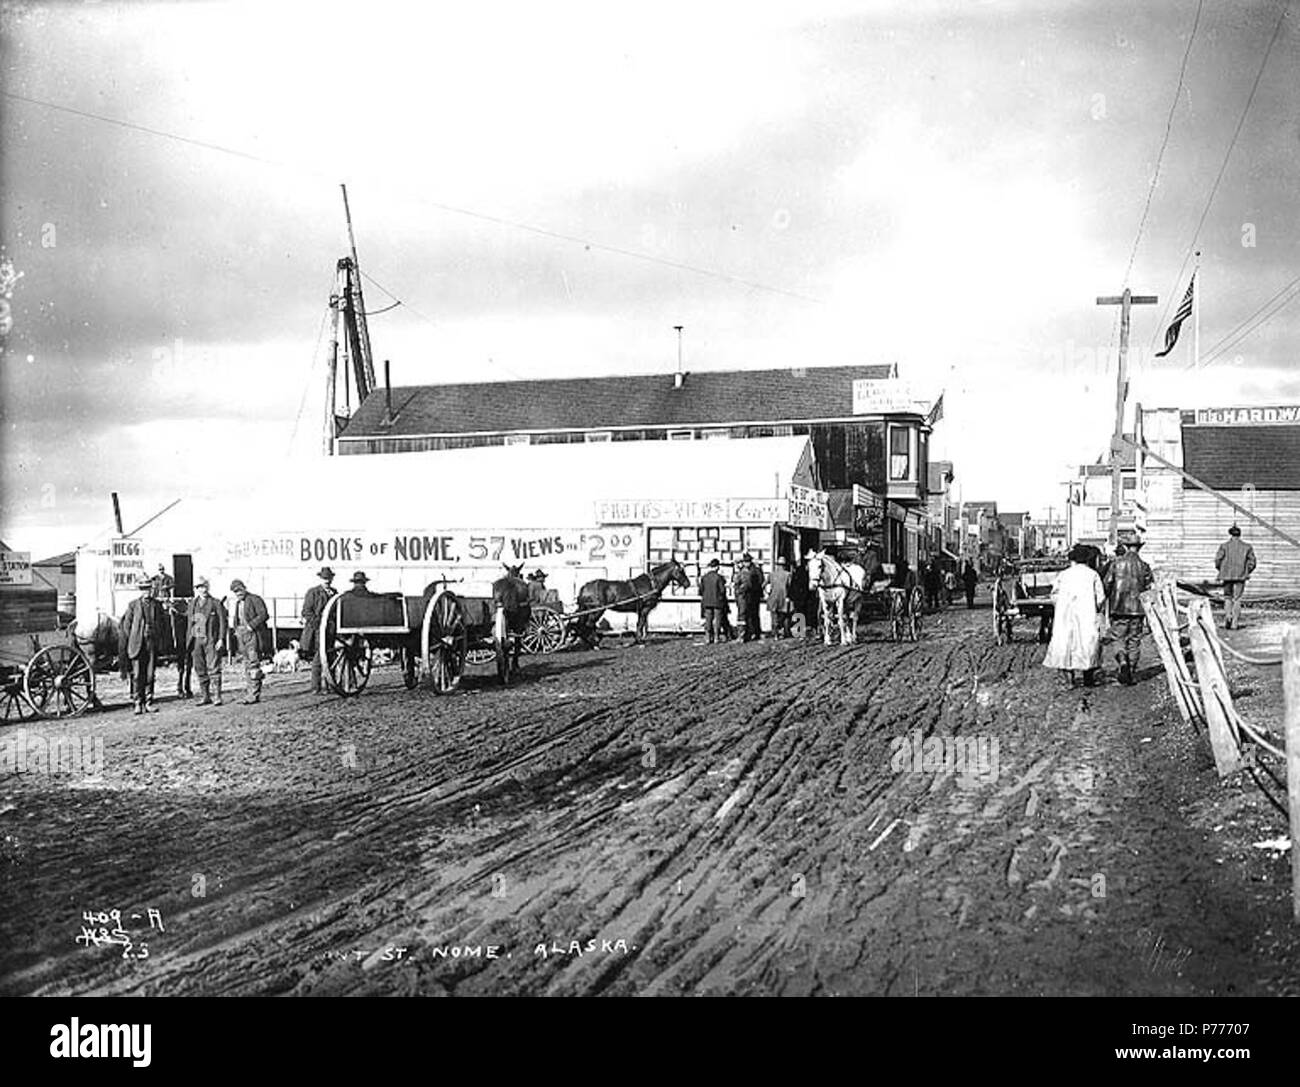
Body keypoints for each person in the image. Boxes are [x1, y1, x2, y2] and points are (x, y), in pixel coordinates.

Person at [1043, 544, 1106, 687]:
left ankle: (1069, 680)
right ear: (1087, 560)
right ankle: (1088, 678)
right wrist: (1095, 608)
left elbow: (1055, 595)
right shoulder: (1093, 575)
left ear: (1073, 560)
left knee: (1066, 643)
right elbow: (1101, 597)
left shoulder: (1064, 575)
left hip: (1066, 615)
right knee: (1087, 643)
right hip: (1086, 615)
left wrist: (1061, 606)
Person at [1103, 532, 1154, 685]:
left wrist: (1107, 600)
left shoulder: (1116, 564)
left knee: (1118, 638)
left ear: (1125, 547)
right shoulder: (1144, 566)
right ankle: (1130, 671)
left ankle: (1123, 662)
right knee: (1134, 641)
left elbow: (1107, 584)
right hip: (1138, 609)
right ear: (1139, 548)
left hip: (1119, 608)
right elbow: (1148, 588)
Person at [120, 574, 164, 714]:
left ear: (152, 589)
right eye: (144, 589)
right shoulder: (133, 605)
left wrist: (158, 641)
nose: (147, 591)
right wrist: (131, 642)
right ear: (140, 590)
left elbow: (162, 624)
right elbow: (126, 627)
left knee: (150, 674)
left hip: (151, 643)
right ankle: (138, 702)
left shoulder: (156, 605)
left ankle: (149, 702)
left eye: (148, 589)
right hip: (137, 644)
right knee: (138, 675)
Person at [187, 576, 228, 706]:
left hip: (211, 640)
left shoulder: (215, 603)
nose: (202, 590)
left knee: (214, 667)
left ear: (208, 587)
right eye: (199, 587)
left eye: (204, 587)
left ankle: (217, 696)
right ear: (196, 589)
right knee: (200, 668)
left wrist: (221, 639)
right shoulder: (192, 604)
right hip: (196, 640)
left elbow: (223, 622)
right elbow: (189, 621)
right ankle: (205, 696)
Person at [229, 579, 270, 704]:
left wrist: (251, 626)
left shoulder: (255, 599)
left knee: (253, 664)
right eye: (235, 591)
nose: (238, 593)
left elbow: (264, 615)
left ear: (244, 588)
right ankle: (249, 692)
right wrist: (236, 629)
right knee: (246, 664)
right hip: (242, 636)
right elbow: (237, 619)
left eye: (240, 590)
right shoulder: (237, 603)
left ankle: (254, 694)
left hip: (254, 635)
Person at [300, 566, 336, 695]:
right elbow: (306, 612)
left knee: (331, 657)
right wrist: (319, 625)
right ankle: (316, 687)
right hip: (317, 630)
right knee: (319, 658)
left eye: (329, 578)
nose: (327, 580)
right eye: (324, 578)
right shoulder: (313, 592)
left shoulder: (334, 593)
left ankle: (331, 685)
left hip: (331, 630)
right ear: (320, 579)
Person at [1215, 524, 1257, 630]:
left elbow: (1218, 560)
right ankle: (1235, 622)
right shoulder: (1247, 547)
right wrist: (1246, 570)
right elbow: (1253, 562)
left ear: (1230, 534)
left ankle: (1228, 616)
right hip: (1241, 575)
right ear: (1240, 534)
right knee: (1237, 598)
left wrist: (1222, 569)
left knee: (1227, 597)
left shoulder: (1224, 546)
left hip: (1226, 575)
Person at [699, 558, 728, 644]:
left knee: (708, 620)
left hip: (707, 602)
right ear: (717, 567)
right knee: (717, 620)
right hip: (717, 602)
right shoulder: (719, 578)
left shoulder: (704, 577)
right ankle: (716, 637)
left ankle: (708, 637)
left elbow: (700, 591)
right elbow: (722, 591)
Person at [767, 556, 795, 638]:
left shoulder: (771, 574)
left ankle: (775, 634)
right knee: (786, 615)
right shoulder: (788, 575)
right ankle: (786, 632)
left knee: (774, 616)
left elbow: (764, 585)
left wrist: (768, 593)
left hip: (773, 598)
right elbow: (790, 587)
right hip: (784, 597)